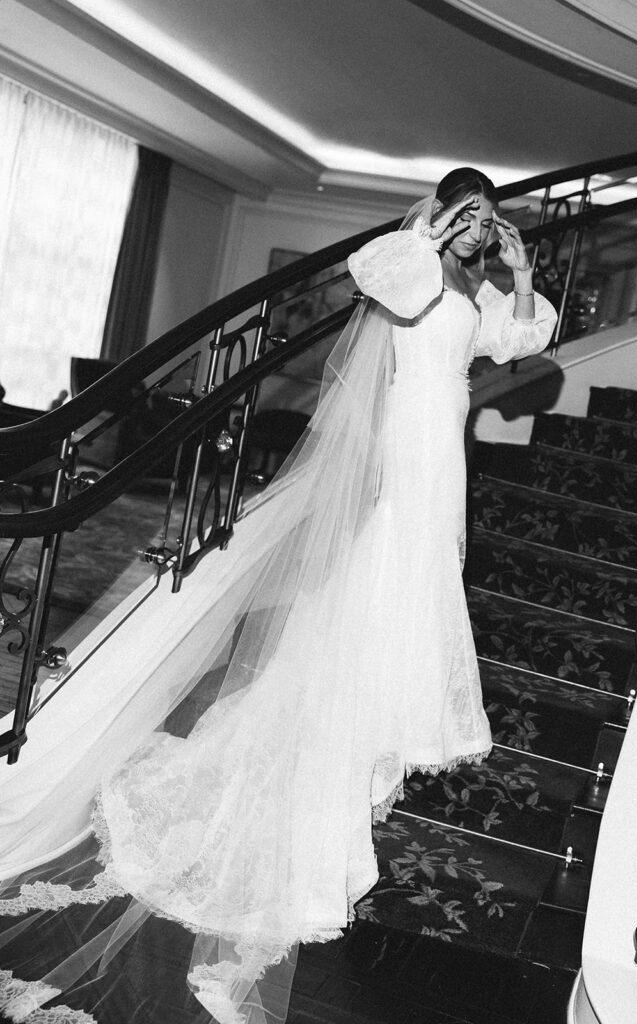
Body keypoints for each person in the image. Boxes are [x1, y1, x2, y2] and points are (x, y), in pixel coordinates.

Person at [0, 168, 556, 1024]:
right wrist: (436, 235)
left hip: (446, 464)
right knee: (379, 588)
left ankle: (377, 720)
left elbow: (517, 343)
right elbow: (373, 273)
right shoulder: (413, 267)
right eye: (470, 215)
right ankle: (347, 735)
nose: (483, 230)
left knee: (419, 587)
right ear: (444, 210)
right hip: (402, 457)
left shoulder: (471, 291)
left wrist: (514, 270)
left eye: (490, 219)